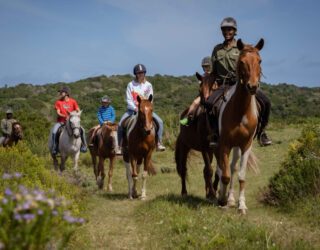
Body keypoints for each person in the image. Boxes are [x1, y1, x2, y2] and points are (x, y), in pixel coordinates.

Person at [206, 17, 272, 147]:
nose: (227, 32)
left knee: (266, 102)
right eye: (224, 30)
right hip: (223, 85)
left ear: (235, 31)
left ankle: (262, 132)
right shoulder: (216, 49)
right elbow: (213, 72)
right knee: (209, 104)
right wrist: (208, 86)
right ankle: (214, 133)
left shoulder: (242, 48)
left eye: (230, 29)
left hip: (241, 84)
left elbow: (251, 64)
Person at [117, 64, 166, 153]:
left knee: (160, 122)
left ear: (144, 73)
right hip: (132, 110)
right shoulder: (130, 85)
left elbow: (150, 99)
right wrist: (135, 108)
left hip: (145, 110)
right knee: (120, 124)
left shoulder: (148, 85)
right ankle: (120, 146)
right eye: (139, 73)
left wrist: (146, 108)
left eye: (142, 72)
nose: (141, 74)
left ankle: (159, 143)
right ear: (135, 74)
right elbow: (129, 99)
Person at [50, 86, 87, 155]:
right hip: (61, 122)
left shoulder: (73, 101)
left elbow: (78, 110)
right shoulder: (58, 102)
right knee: (54, 131)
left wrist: (77, 115)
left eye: (62, 92)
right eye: (60, 92)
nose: (60, 93)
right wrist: (65, 116)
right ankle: (55, 147)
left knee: (82, 130)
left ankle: (84, 146)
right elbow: (58, 112)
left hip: (72, 123)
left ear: (66, 93)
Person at [179, 56, 214, 126]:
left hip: (213, 94)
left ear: (210, 66)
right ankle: (188, 117)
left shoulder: (213, 75)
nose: (205, 68)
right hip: (203, 95)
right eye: (204, 67)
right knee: (195, 102)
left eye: (207, 66)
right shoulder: (203, 76)